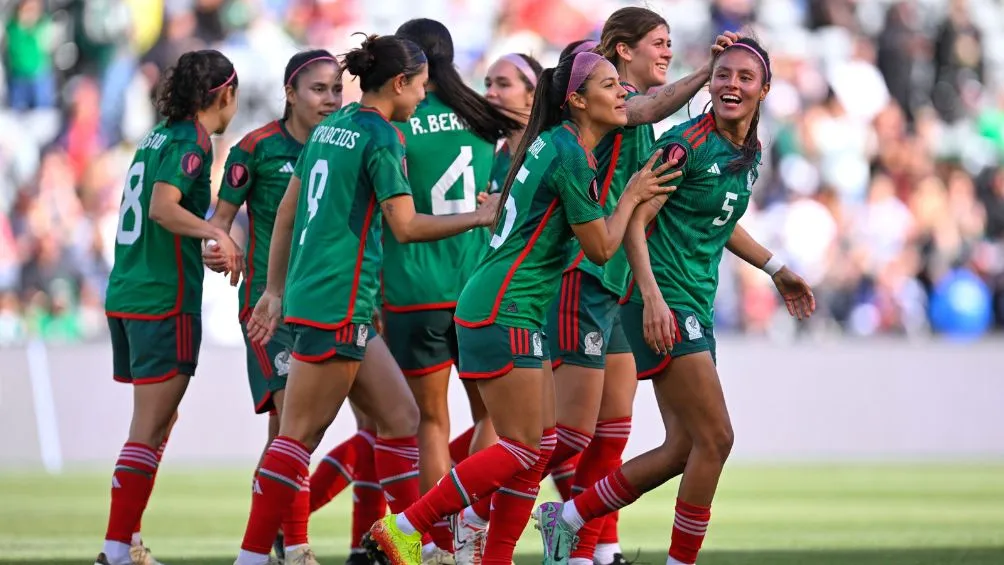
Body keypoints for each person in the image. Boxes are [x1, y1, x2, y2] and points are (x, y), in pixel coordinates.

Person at [365, 49, 680, 565]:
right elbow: (601, 248)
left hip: (509, 307)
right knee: (520, 448)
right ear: (577, 100)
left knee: (540, 447)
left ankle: (495, 556)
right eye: (609, 85)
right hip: (502, 309)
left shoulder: (555, 144)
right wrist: (633, 198)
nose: (623, 92)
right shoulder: (569, 154)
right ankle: (406, 527)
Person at [534, 37, 816, 565]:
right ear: (709, 80)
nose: (731, 84)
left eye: (744, 77)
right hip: (662, 301)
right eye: (723, 74)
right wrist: (652, 298)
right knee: (718, 438)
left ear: (765, 91)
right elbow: (637, 215)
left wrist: (776, 269)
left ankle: (568, 517)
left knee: (683, 448)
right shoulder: (685, 144)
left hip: (692, 301)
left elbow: (721, 220)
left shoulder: (747, 150)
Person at [232, 33, 499, 565]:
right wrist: (479, 215)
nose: (424, 96)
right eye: (421, 86)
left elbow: (286, 211)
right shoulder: (382, 138)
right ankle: (254, 555)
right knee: (297, 438)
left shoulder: (332, 127)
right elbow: (405, 226)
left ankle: (419, 544)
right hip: (340, 302)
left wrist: (275, 289)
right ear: (399, 83)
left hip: (323, 297)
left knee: (400, 417)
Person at [536, 14, 738, 565]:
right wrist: (709, 73)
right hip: (590, 268)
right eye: (659, 44)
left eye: (673, 44)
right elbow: (646, 109)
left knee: (622, 432)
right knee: (563, 437)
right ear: (621, 51)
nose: (667, 53)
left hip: (621, 279)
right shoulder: (620, 98)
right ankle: (466, 518)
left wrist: (774, 265)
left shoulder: (655, 122)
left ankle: (583, 542)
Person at [379, 18, 524, 562]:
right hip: (476, 288)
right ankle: (469, 522)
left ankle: (434, 540)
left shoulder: (397, 123)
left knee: (431, 423)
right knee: (491, 418)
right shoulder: (485, 122)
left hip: (412, 287)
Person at [95, 49, 242, 565]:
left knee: (158, 422)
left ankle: (127, 541)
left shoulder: (156, 136)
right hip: (163, 300)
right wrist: (215, 232)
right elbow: (163, 208)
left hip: (129, 292)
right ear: (224, 94)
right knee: (149, 430)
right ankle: (115, 549)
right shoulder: (191, 141)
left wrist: (198, 239)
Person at [204, 49, 343, 565]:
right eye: (318, 89)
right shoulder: (255, 148)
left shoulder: (345, 144)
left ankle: (263, 543)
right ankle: (297, 547)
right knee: (294, 424)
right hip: (268, 308)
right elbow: (220, 220)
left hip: (328, 302)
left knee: (289, 434)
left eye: (336, 90)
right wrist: (219, 244)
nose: (330, 100)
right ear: (290, 93)